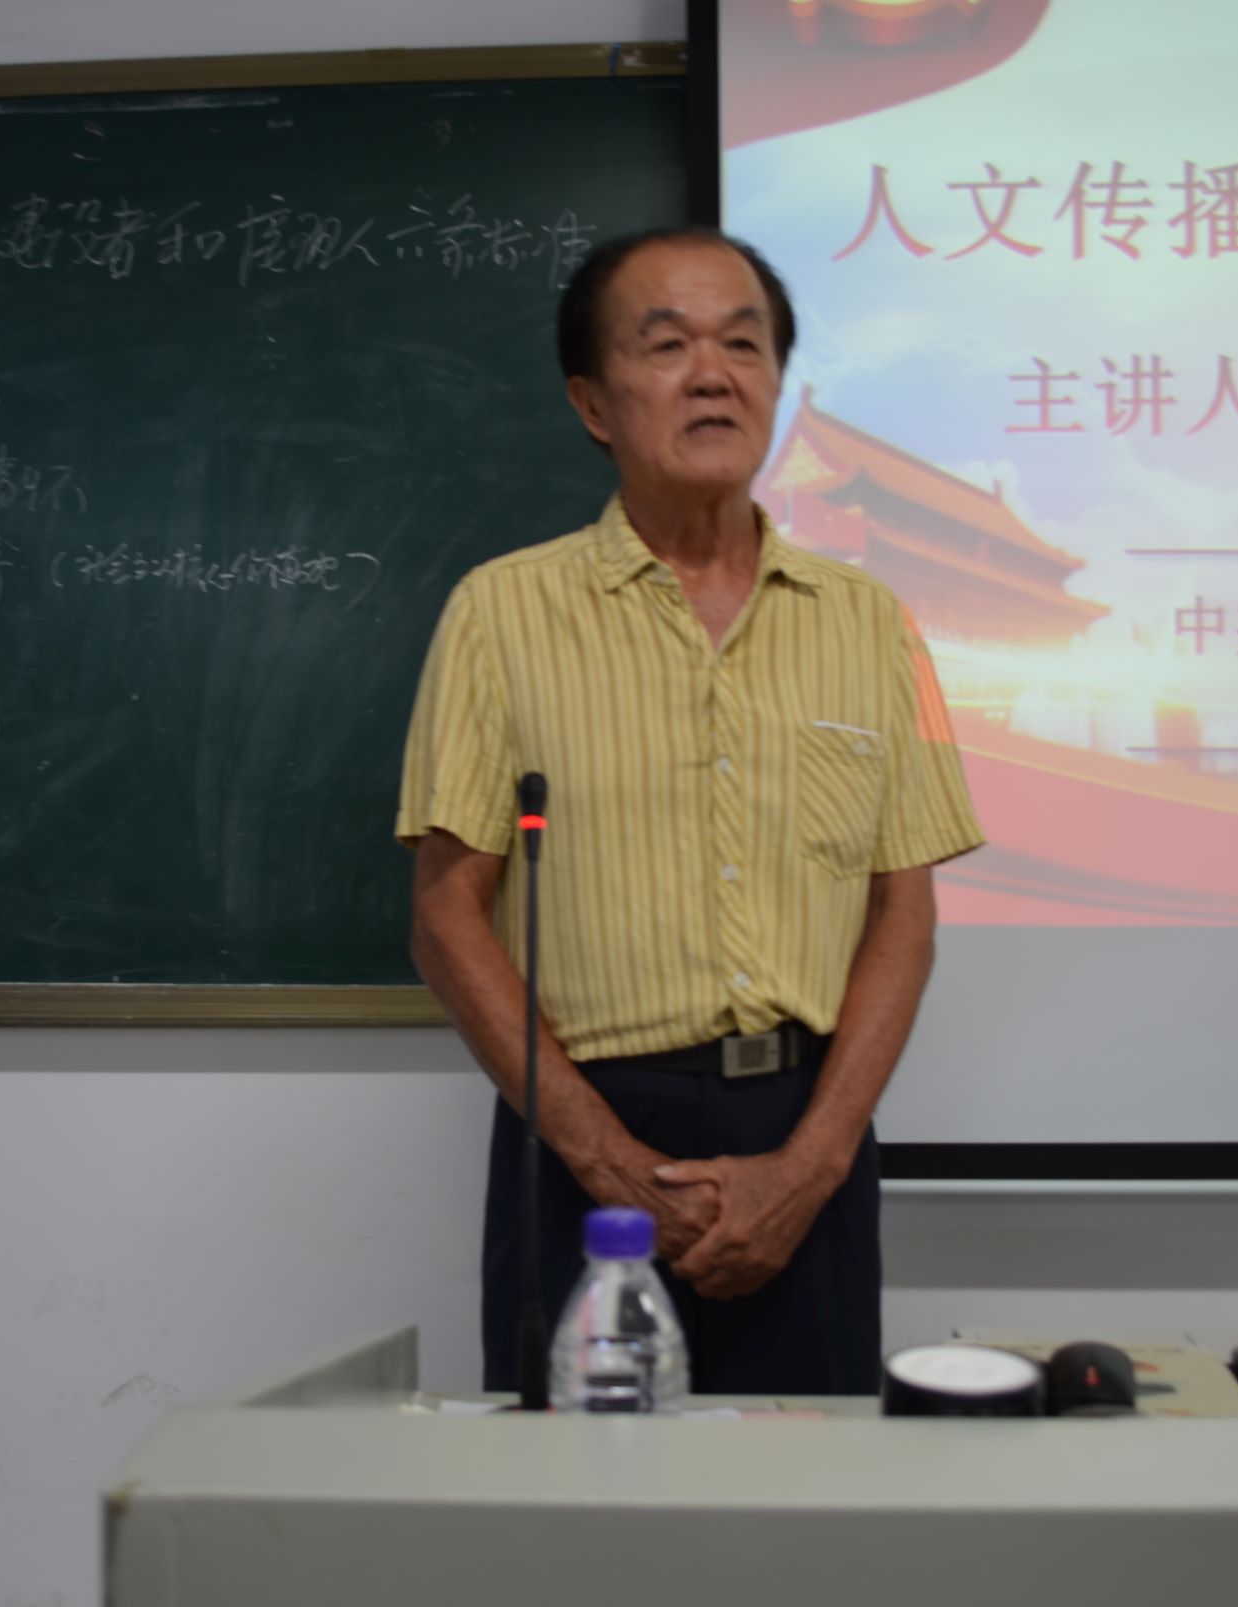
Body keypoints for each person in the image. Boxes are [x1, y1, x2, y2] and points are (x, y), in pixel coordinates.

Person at [395, 226, 984, 1397]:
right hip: (582, 1136)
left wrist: (809, 1167)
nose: (713, 375)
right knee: (578, 1495)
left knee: (807, 1492)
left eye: (744, 345)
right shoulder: (500, 613)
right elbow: (448, 916)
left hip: (806, 1134)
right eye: (666, 346)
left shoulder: (870, 622)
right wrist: (609, 1163)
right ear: (592, 403)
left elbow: (902, 915)